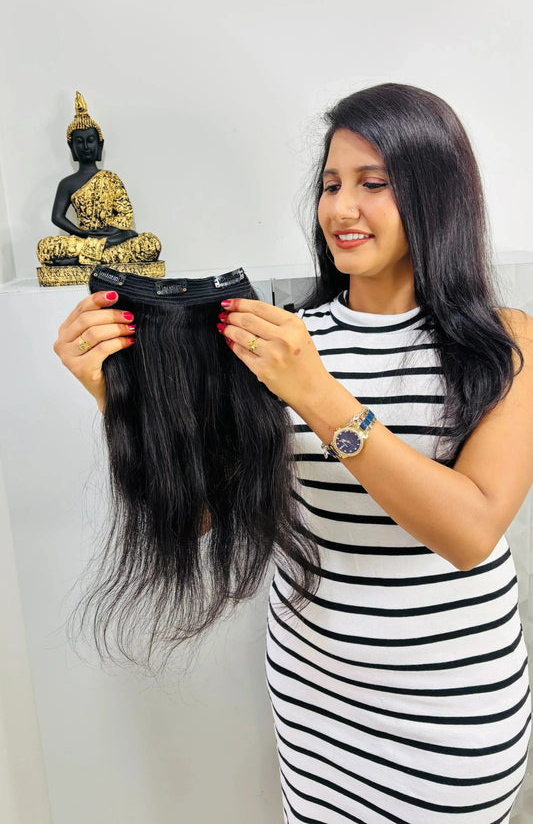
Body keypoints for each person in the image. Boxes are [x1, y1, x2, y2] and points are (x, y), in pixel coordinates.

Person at [54, 83, 532, 822]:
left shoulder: (503, 341)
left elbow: (469, 532)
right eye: (330, 185)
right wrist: (116, 401)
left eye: (373, 184)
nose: (341, 209)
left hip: (451, 707)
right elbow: (204, 517)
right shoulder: (282, 336)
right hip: (316, 699)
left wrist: (314, 389)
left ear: (437, 194)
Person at [37, 91, 161, 269]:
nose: (86, 146)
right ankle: (100, 257)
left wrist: (114, 232)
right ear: (71, 146)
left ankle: (82, 260)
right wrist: (81, 232)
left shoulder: (110, 178)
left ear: (99, 145)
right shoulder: (67, 183)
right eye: (79, 142)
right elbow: (57, 217)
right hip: (83, 238)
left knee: (150, 244)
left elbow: (126, 215)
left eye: (91, 140)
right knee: (45, 248)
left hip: (113, 237)